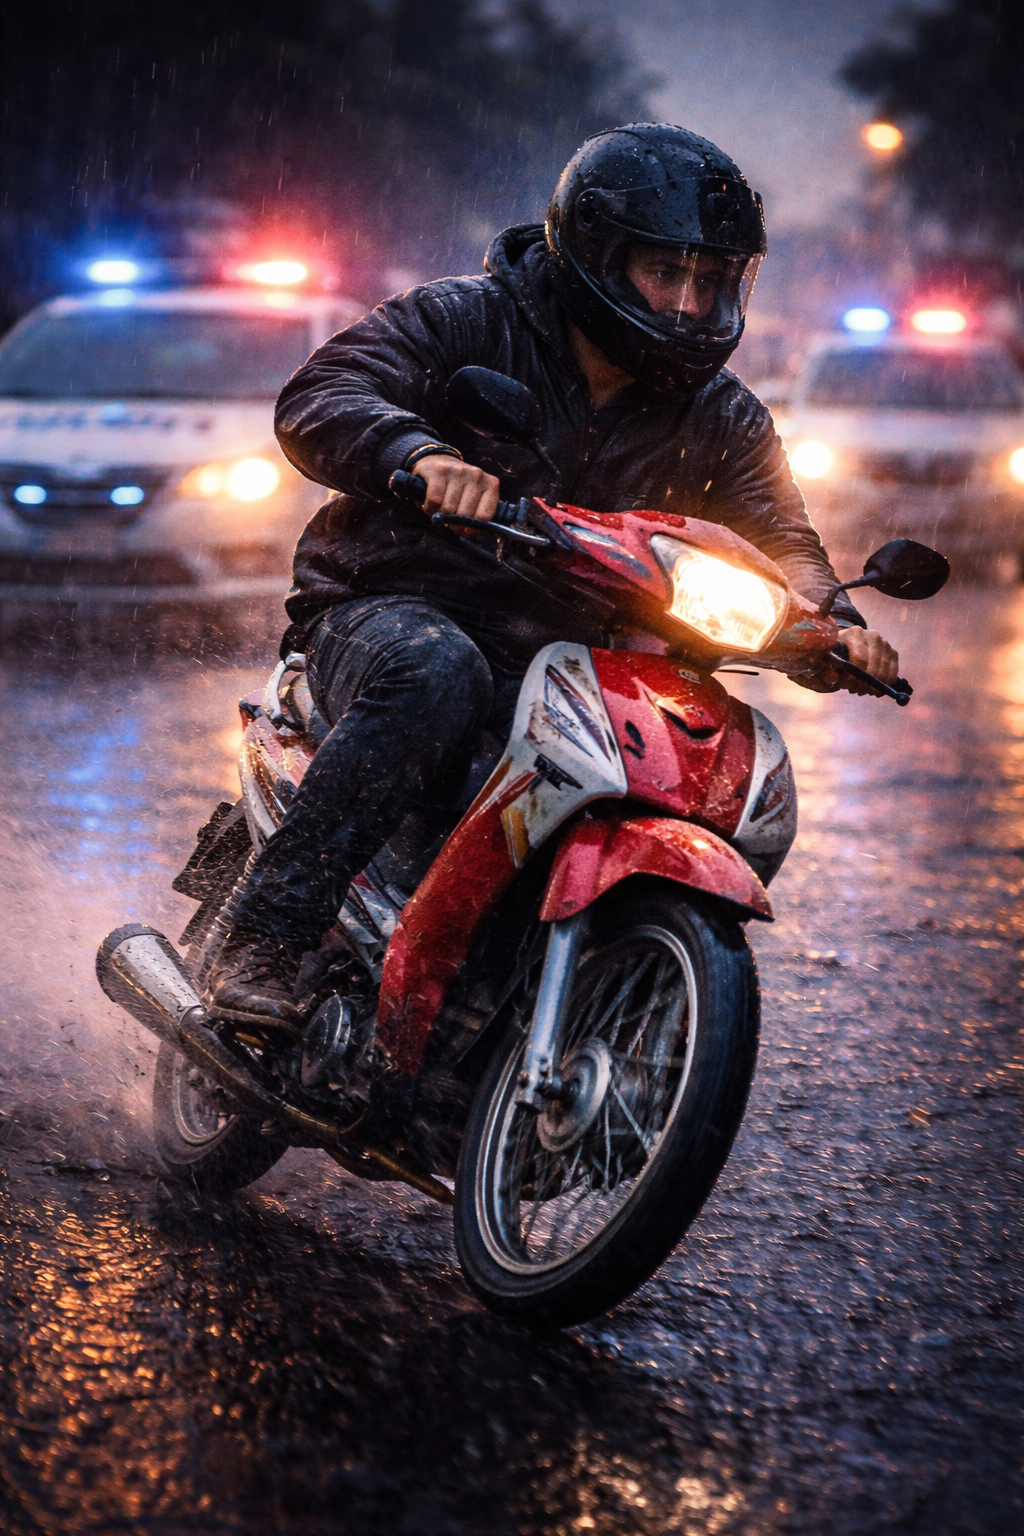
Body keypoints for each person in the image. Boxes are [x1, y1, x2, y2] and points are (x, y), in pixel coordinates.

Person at [205, 122, 898, 1036]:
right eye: (666, 274)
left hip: (583, 652)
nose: (691, 304)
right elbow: (325, 394)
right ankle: (264, 938)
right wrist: (418, 454)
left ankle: (567, 1014)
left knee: (721, 766)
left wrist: (833, 622)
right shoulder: (465, 318)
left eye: (712, 280)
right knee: (436, 671)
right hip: (395, 604)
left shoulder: (723, 414)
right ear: (597, 261)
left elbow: (780, 535)